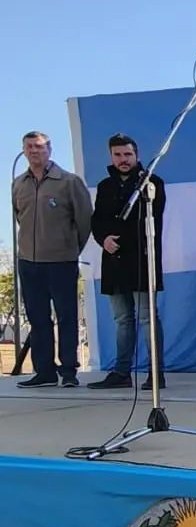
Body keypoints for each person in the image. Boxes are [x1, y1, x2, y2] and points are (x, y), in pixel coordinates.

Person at [86, 133, 167, 391]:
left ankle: (156, 373)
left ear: (136, 155)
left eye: (128, 154)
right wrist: (104, 239)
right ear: (111, 156)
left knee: (147, 318)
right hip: (113, 262)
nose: (123, 159)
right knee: (122, 319)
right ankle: (121, 373)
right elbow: (97, 220)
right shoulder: (105, 186)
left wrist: (121, 238)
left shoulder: (151, 183)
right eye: (118, 155)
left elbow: (153, 222)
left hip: (141, 261)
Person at [12, 131, 92, 389]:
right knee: (37, 318)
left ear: (49, 149)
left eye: (39, 146)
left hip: (61, 262)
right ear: (24, 150)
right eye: (29, 147)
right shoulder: (18, 184)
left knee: (67, 317)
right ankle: (44, 371)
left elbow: (84, 221)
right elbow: (20, 217)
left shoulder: (69, 182)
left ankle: (68, 371)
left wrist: (70, 249)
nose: (34, 151)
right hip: (29, 262)